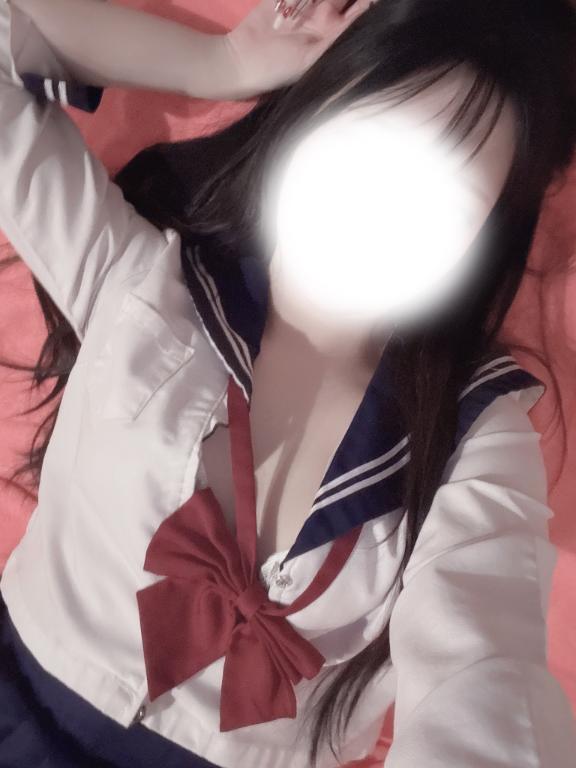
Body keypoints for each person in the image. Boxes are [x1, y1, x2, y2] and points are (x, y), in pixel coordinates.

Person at [0, 0, 575, 766]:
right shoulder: (146, 282)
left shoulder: (474, 432)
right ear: (315, 113)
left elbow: (488, 677)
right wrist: (222, 64)